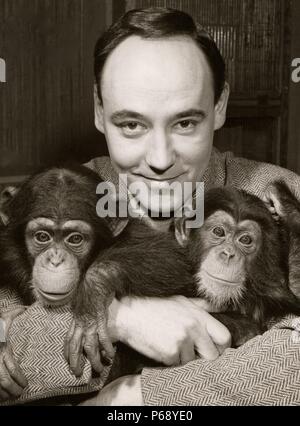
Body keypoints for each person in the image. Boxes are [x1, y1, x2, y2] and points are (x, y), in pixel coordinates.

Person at [1, 7, 300, 405]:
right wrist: (122, 318)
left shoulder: (275, 194)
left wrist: (135, 399)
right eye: (132, 125)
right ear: (99, 110)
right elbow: (11, 357)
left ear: (220, 105)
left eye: (185, 123)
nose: (160, 159)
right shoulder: (59, 199)